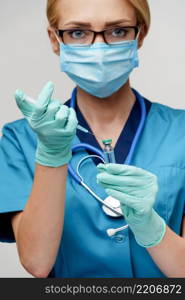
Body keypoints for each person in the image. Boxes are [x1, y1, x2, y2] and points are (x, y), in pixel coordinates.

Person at [0, 0, 185, 278]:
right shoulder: (20, 139)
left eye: (118, 31)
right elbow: (37, 263)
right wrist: (51, 157)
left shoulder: (180, 131)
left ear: (140, 35)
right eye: (78, 33)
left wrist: (152, 228)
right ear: (55, 39)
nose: (99, 49)